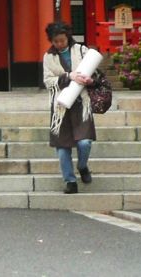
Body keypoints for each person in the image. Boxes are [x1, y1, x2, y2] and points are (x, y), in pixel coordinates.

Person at [42, 21, 97, 194]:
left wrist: (90, 80)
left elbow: (95, 73)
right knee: (62, 146)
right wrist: (68, 76)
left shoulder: (81, 50)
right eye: (55, 41)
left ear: (68, 37)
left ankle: (82, 165)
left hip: (81, 102)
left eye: (62, 40)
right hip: (60, 106)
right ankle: (70, 180)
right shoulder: (48, 57)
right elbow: (48, 80)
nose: (59, 44)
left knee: (85, 142)